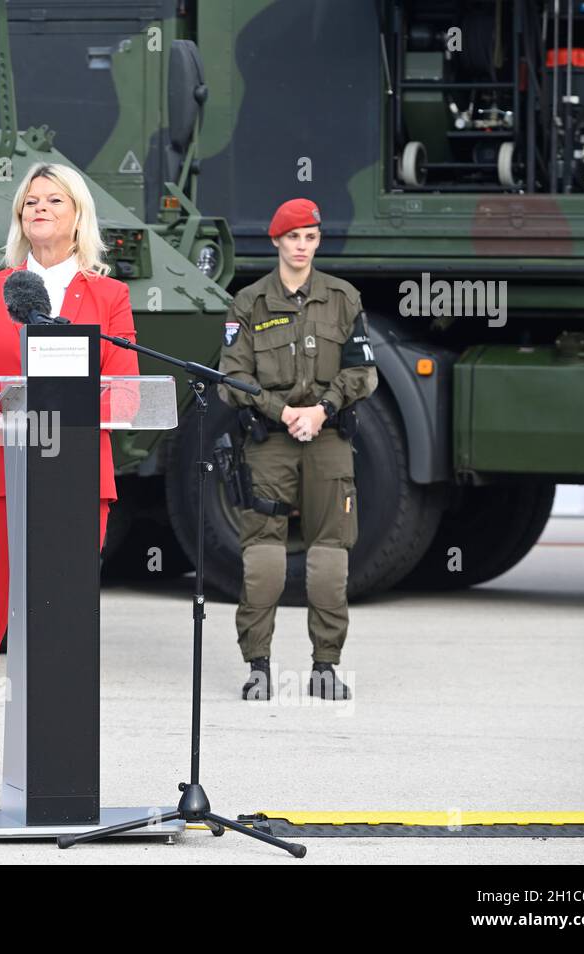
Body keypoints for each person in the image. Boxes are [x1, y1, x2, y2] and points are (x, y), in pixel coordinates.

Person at [0, 162, 139, 810]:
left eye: (53, 199)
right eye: (29, 202)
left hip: (74, 484)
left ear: (79, 215)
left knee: (58, 629)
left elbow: (126, 395)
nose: (39, 209)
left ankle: (57, 775)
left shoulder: (109, 298)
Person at [218, 198, 377, 702]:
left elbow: (362, 372)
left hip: (328, 437)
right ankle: (259, 666)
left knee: (330, 554)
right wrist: (280, 411)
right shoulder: (249, 302)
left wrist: (323, 409)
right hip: (270, 441)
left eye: (310, 238)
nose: (302, 247)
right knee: (262, 554)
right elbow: (232, 378)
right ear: (276, 242)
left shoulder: (343, 297)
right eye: (293, 238)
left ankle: (325, 666)